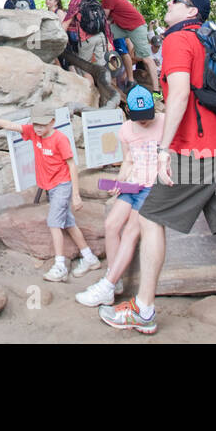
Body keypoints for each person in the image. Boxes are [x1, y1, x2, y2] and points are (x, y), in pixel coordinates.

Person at [100, 0, 216, 343]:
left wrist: (164, 149)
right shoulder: (213, 40)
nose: (169, 4)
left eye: (176, 1)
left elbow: (179, 97)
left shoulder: (179, 40)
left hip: (196, 151)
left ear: (191, 12)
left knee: (149, 216)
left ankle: (143, 309)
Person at [0, 109, 101, 281]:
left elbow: (72, 165)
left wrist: (76, 194)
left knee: (54, 222)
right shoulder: (34, 133)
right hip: (50, 186)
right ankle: (89, 258)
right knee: (68, 222)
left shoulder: (60, 139)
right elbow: (12, 126)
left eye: (42, 125)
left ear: (52, 122)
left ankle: (59, 266)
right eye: (36, 124)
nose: (38, 129)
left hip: (61, 185)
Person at [76, 84, 165, 307]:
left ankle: (108, 284)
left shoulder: (165, 123)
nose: (143, 121)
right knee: (111, 225)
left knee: (131, 232)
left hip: (152, 187)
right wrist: (120, 181)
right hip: (133, 184)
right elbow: (128, 160)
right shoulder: (126, 129)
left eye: (147, 116)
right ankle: (113, 279)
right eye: (139, 118)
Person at [93, 0, 160, 91]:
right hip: (122, 27)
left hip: (136, 27)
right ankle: (110, 65)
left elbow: (103, 19)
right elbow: (108, 22)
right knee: (103, 35)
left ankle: (156, 90)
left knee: (146, 58)